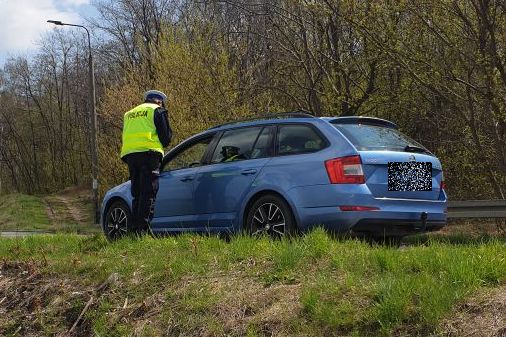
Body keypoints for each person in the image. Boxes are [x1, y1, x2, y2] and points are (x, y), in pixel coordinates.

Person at [120, 90, 172, 233]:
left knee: (137, 193)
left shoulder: (129, 113)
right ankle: (143, 231)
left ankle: (135, 229)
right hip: (149, 154)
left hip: (130, 156)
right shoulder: (157, 110)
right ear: (159, 101)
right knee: (148, 192)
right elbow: (166, 138)